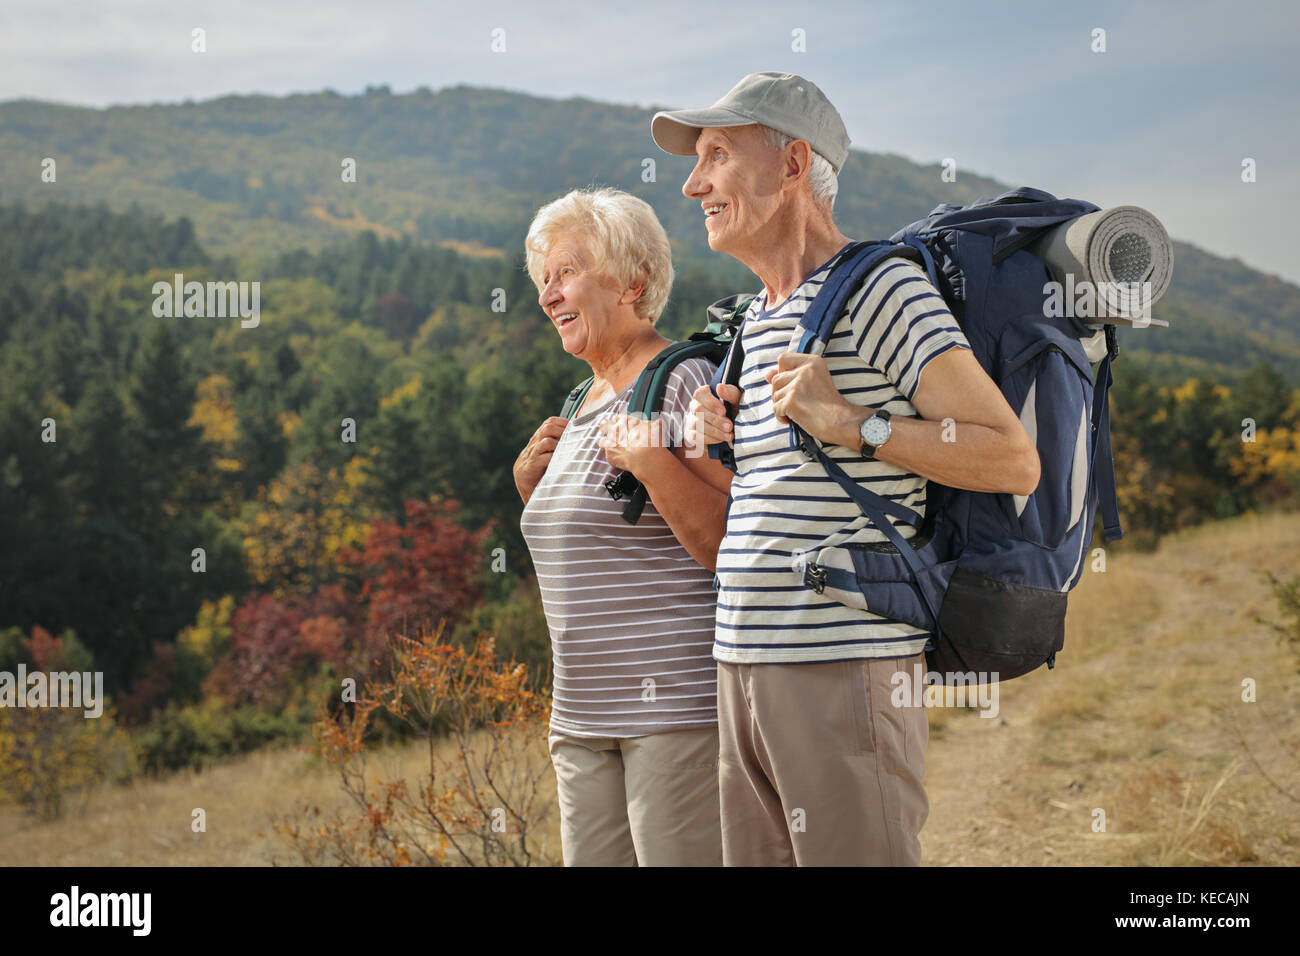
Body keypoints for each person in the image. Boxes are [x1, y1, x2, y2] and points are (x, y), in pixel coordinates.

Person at [655, 72, 1041, 866]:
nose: (694, 183)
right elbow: (788, 499)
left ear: (794, 165)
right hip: (740, 664)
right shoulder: (756, 318)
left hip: (839, 668)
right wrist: (712, 449)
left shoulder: (881, 290)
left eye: (718, 156)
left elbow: (1011, 457)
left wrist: (852, 421)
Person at [514, 187, 734, 866]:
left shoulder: (680, 378)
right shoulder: (581, 400)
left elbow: (731, 543)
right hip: (579, 717)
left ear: (632, 282)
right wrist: (529, 489)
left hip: (672, 712)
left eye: (567, 273)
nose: (550, 294)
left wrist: (654, 463)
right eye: (545, 280)